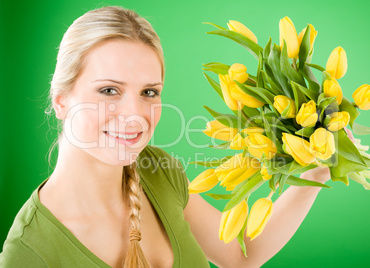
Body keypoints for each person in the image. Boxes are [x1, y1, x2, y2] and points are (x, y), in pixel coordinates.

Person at [0, 5, 352, 268]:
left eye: (149, 92)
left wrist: (316, 170)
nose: (135, 115)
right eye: (108, 90)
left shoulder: (159, 170)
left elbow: (239, 254)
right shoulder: (28, 252)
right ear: (61, 100)